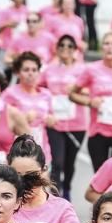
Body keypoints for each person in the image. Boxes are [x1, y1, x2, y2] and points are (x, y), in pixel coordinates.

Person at [69, 32, 112, 172]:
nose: (109, 47)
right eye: (106, 43)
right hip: (98, 132)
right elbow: (72, 93)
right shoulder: (91, 69)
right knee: (101, 176)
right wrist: (90, 101)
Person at [41, 35, 88, 198]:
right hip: (55, 123)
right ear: (57, 49)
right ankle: (55, 195)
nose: (65, 49)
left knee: (70, 163)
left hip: (77, 124)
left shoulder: (82, 70)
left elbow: (91, 90)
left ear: (75, 50)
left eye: (69, 46)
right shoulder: (49, 69)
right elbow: (38, 89)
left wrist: (79, 91)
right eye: (61, 46)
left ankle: (67, 187)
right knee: (57, 161)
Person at [2, 52, 54, 161]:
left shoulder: (46, 94)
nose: (30, 74)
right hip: (17, 151)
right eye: (26, 70)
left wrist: (51, 120)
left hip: (41, 149)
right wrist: (23, 119)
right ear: (17, 72)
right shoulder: (10, 93)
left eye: (34, 70)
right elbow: (1, 121)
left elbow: (52, 118)